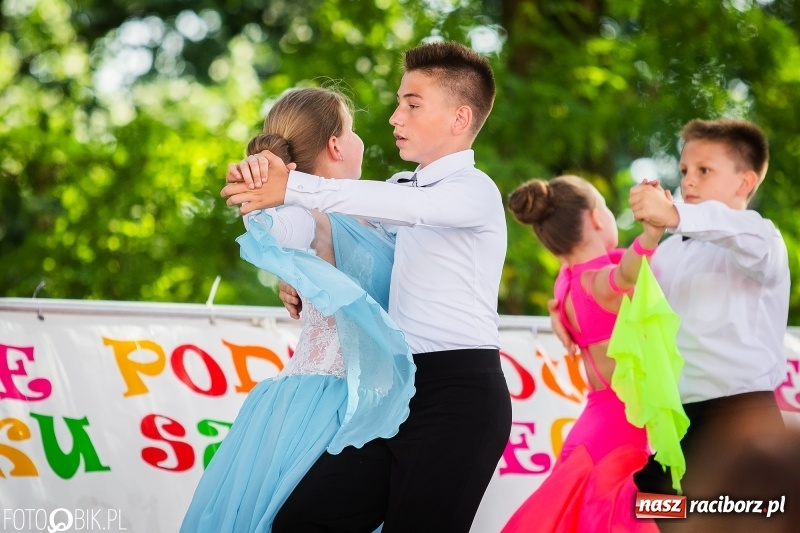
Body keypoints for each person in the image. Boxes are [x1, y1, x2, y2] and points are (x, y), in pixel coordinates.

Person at [221, 41, 511, 533]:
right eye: (399, 101)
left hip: (460, 394)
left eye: (412, 104)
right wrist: (289, 257)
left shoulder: (475, 191)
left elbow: (395, 208)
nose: (395, 117)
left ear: (460, 119)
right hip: (396, 389)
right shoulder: (397, 189)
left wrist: (290, 186)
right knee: (303, 522)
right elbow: (328, 228)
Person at [181, 86, 415, 532]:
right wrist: (259, 188)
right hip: (324, 403)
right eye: (354, 128)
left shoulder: (378, 209)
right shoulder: (311, 214)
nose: (361, 139)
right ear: (335, 144)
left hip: (371, 398)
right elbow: (277, 228)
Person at [628, 118, 790, 507]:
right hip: (678, 425)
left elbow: (732, 230)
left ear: (745, 183)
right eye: (684, 170)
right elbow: (629, 297)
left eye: (704, 170)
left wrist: (674, 216)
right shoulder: (669, 250)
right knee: (653, 511)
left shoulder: (760, 238)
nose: (689, 181)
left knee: (747, 527)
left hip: (743, 419)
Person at [500, 175, 662, 533]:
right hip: (619, 436)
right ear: (595, 218)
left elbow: (573, 262)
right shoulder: (598, 282)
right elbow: (624, 272)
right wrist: (651, 233)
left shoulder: (567, 283)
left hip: (597, 428)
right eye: (604, 205)